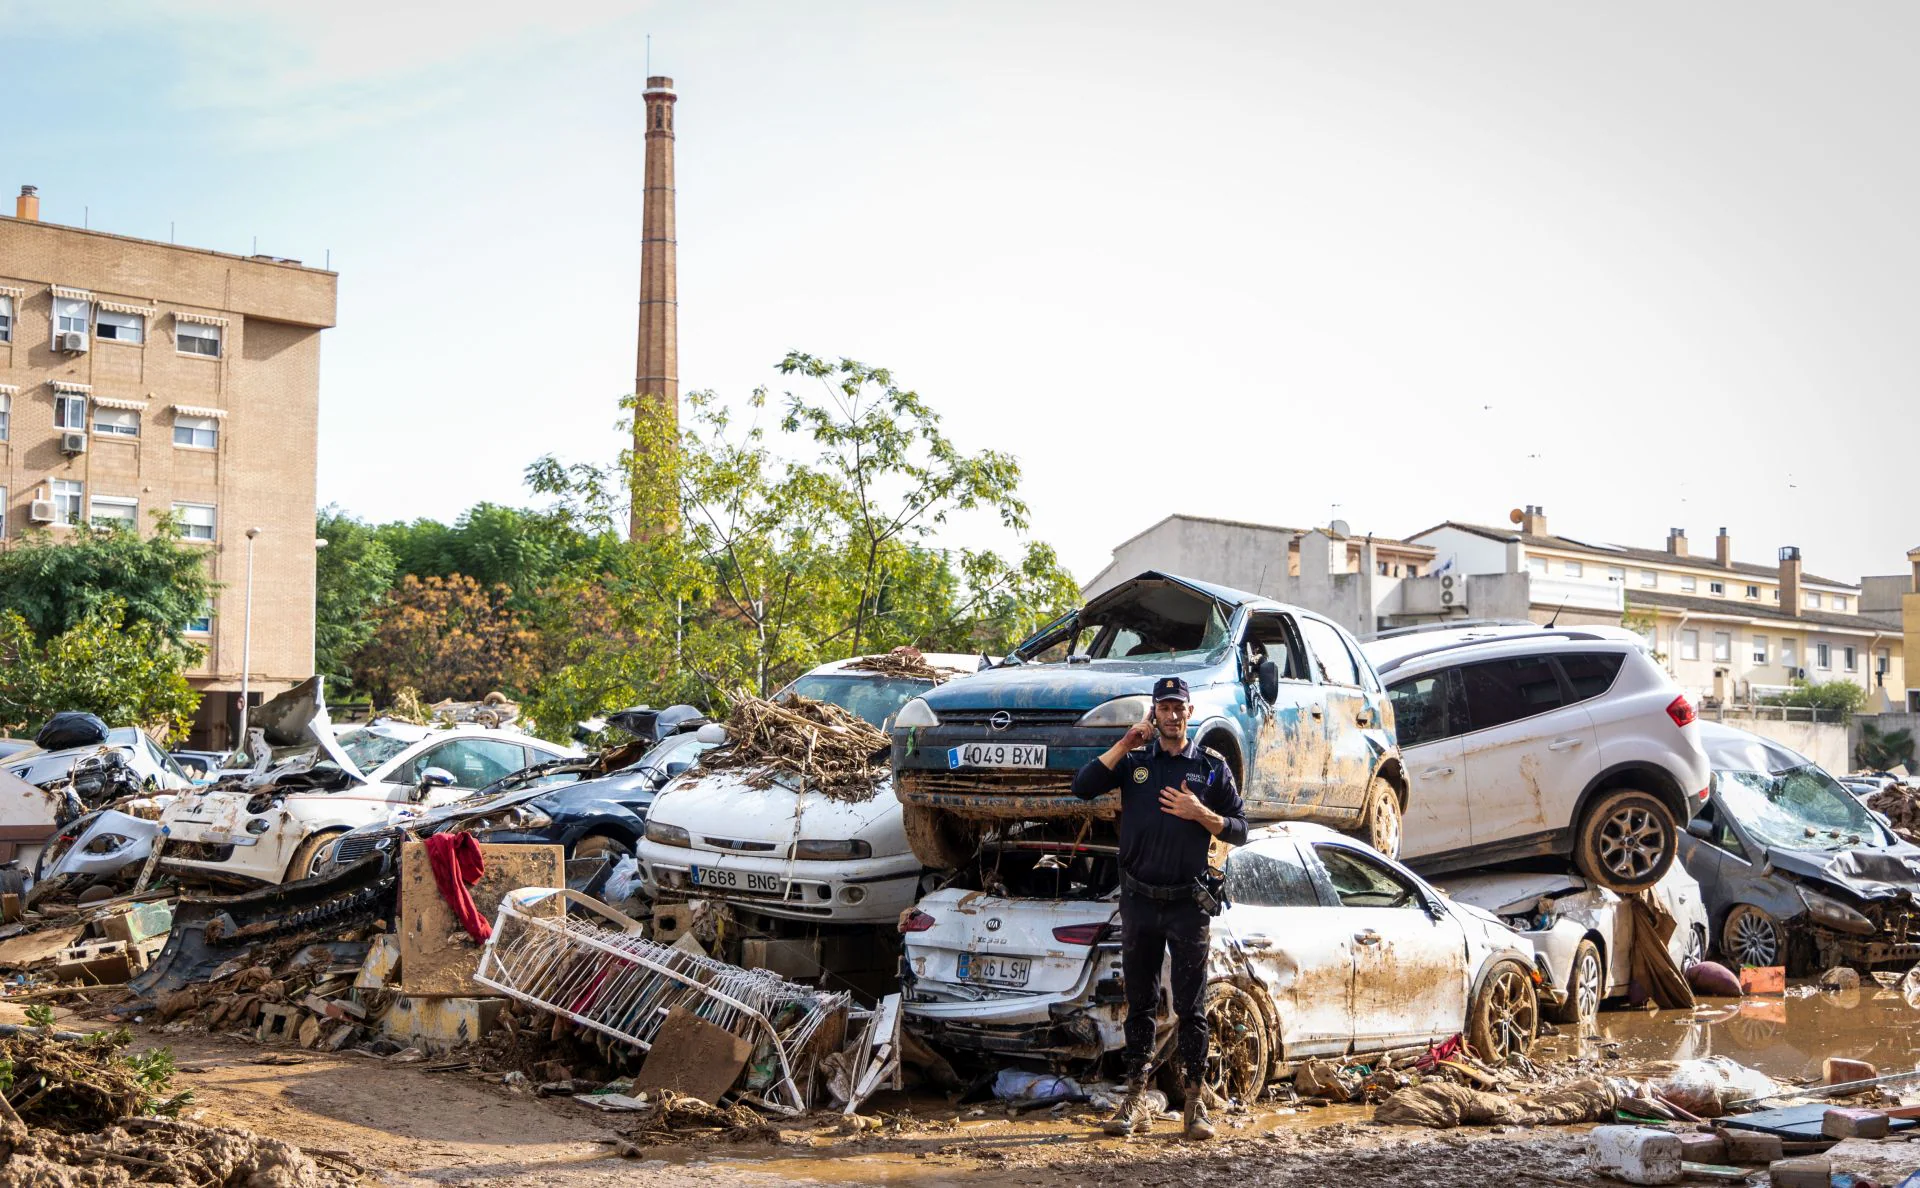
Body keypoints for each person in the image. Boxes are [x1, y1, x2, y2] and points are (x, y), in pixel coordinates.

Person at [1072, 676, 1247, 1140]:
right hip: (1140, 901)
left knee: (1191, 1006)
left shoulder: (1210, 767)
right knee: (1141, 1004)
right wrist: (1126, 740)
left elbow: (1240, 828)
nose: (1172, 715)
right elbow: (1083, 786)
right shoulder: (1134, 763)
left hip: (1188, 904)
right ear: (1155, 712)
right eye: (1164, 707)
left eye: (1179, 708)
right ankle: (1135, 1098)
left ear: (1190, 713)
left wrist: (1202, 815)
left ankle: (1194, 1102)